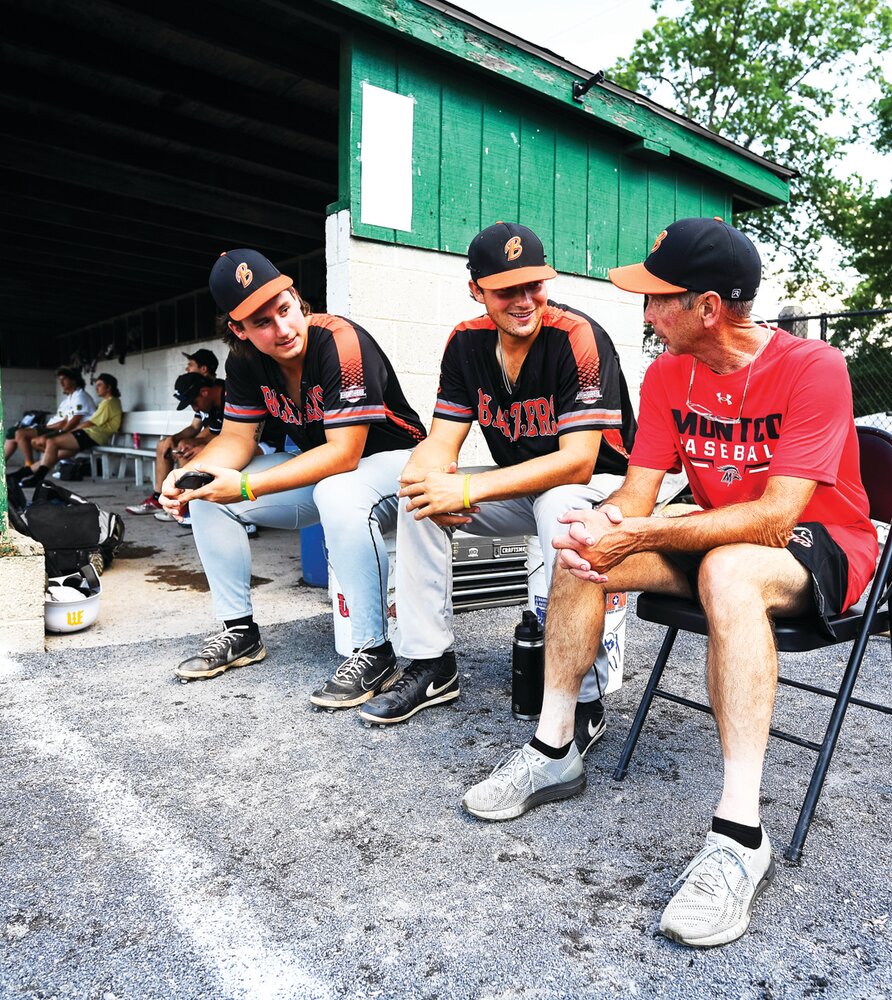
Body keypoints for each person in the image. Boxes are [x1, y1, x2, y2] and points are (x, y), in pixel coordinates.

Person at [460, 218, 879, 948]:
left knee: (729, 567)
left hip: (821, 542)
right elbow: (639, 495)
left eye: (659, 299)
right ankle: (555, 747)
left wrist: (646, 531)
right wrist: (603, 523)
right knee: (585, 550)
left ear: (707, 307)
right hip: (716, 533)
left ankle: (740, 834)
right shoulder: (664, 374)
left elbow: (779, 517)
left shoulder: (815, 366)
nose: (647, 313)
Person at [366, 222, 636, 733]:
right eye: (505, 288)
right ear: (476, 290)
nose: (523, 299)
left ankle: (584, 699)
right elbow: (441, 442)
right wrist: (421, 477)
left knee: (558, 504)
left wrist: (467, 487)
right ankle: (432, 665)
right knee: (418, 503)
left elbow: (578, 460)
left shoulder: (577, 337)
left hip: (600, 488)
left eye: (533, 284)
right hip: (520, 484)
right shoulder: (466, 343)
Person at [160, 249, 427, 695]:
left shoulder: (340, 341)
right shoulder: (245, 360)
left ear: (296, 298)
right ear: (238, 330)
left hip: (398, 467)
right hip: (328, 473)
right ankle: (240, 631)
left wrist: (245, 485)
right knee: (205, 493)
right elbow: (238, 439)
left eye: (284, 310)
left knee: (339, 492)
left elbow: (345, 453)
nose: (283, 329)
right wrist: (191, 471)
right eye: (262, 323)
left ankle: (374, 652)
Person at [127, 352, 224, 515]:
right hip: (216, 438)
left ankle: (183, 503)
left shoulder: (218, 392)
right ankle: (160, 498)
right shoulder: (196, 390)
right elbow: (195, 427)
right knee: (166, 445)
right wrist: (174, 438)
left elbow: (223, 431)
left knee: (183, 448)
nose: (187, 368)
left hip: (233, 443)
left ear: (204, 369)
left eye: (191, 364)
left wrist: (193, 443)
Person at [14, 373, 122, 487]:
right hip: (91, 436)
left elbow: (91, 422)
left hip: (94, 436)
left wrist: (71, 432)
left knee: (52, 442)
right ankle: (19, 475)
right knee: (55, 454)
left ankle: (37, 478)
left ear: (109, 387)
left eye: (100, 385)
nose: (97, 388)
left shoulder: (110, 402)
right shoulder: (107, 402)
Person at [5, 368, 94, 465]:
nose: (61, 383)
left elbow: (73, 420)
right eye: (60, 380)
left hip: (77, 434)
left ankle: (33, 464)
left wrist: (60, 432)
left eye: (64, 379)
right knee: (16, 435)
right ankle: (48, 461)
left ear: (73, 380)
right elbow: (65, 420)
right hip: (56, 428)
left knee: (23, 435)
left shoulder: (80, 396)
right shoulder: (69, 399)